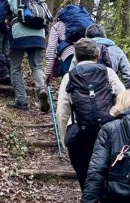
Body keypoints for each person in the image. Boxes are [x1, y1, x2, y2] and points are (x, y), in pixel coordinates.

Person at [54, 38, 126, 187]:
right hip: (108, 134)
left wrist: (63, 141)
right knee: (109, 176)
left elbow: (62, 112)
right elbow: (125, 101)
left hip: (81, 136)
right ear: (97, 54)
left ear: (76, 56)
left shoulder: (69, 77)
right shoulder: (108, 73)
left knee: (86, 180)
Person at [0, 0, 49, 111]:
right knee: (36, 66)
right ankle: (41, 89)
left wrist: (7, 32)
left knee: (16, 68)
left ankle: (21, 100)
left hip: (18, 34)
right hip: (39, 34)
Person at [85, 24, 130, 89]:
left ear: (86, 37)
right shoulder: (116, 50)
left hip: (85, 95)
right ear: (104, 36)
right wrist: (120, 92)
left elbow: (71, 75)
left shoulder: (81, 50)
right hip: (111, 94)